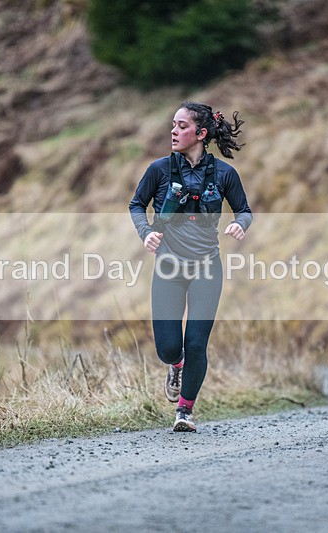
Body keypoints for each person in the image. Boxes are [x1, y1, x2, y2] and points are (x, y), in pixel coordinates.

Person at [129, 102, 253, 431]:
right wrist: (145, 233)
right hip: (168, 267)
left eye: (181, 126)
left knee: (197, 342)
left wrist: (241, 225)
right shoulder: (158, 169)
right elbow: (136, 205)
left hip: (206, 268)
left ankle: (184, 411)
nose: (173, 131)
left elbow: (244, 210)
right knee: (169, 347)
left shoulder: (225, 174)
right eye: (173, 124)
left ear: (200, 134)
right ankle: (177, 365)